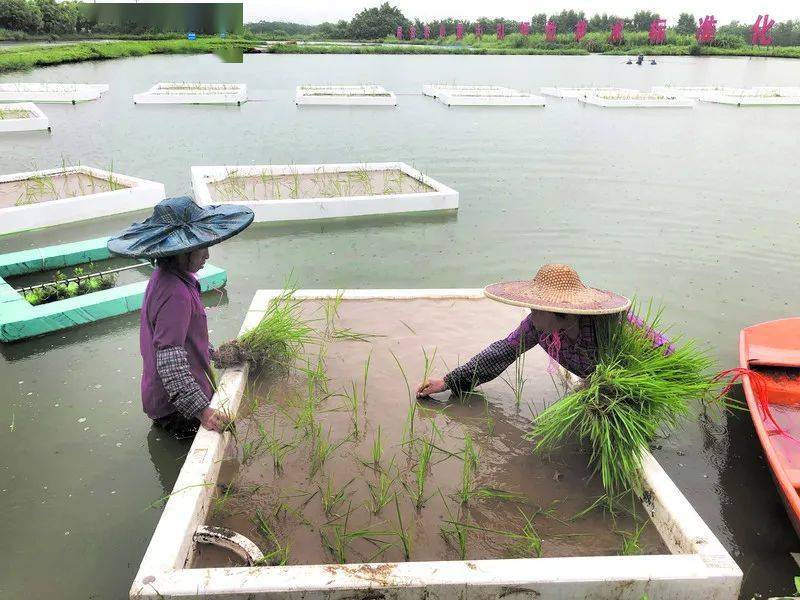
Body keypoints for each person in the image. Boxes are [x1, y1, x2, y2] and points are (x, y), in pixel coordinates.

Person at [108, 196, 254, 439]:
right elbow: (170, 361)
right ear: (182, 252)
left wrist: (215, 355)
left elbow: (186, 336)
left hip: (170, 399)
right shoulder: (175, 294)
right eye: (201, 247)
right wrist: (202, 412)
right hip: (177, 409)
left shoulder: (167, 277)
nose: (207, 255)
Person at [417, 264, 672, 399]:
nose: (531, 312)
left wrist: (615, 389)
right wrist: (448, 382)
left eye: (539, 308)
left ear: (561, 310)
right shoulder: (536, 328)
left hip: (635, 387)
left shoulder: (609, 324)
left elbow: (662, 351)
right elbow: (500, 353)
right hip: (598, 385)